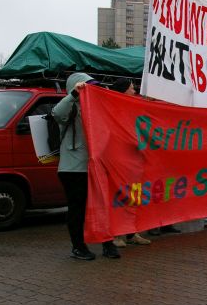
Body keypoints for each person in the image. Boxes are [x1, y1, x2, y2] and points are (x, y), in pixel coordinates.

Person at [53, 73, 120, 260]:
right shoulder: (71, 106)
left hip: (95, 167)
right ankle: (78, 246)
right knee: (78, 208)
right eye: (87, 86)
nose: (90, 89)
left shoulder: (94, 107)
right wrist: (74, 94)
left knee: (102, 207)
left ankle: (107, 243)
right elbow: (57, 113)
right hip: (73, 169)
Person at [108, 78, 152, 248]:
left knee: (134, 197)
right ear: (123, 90)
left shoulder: (134, 106)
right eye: (132, 88)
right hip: (119, 160)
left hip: (134, 161)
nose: (134, 91)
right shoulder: (113, 108)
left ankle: (132, 232)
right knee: (120, 198)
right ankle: (117, 235)